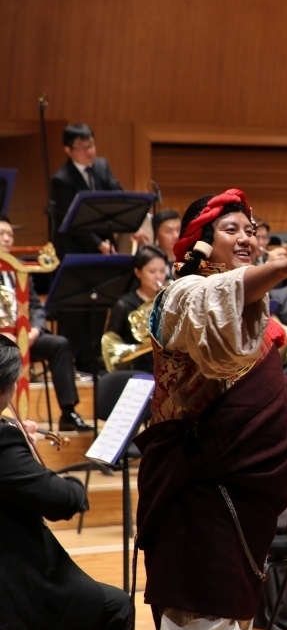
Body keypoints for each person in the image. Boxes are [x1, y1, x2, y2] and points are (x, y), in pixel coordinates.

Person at [134, 188, 287, 630]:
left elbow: (265, 396)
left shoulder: (253, 310)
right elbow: (213, 297)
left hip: (246, 496)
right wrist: (280, 269)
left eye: (251, 229)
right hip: (196, 494)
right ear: (201, 243)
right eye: (232, 229)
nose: (247, 237)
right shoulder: (178, 295)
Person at [0, 340, 131, 630]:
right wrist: (29, 456)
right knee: (117, 605)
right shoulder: (4, 441)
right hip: (14, 585)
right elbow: (63, 501)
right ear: (5, 387)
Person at [0, 215, 91, 431]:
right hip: (2, 343)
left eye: (10, 234)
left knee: (59, 344)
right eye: (1, 234)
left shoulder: (21, 270)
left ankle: (68, 412)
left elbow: (36, 306)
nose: (7, 238)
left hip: (25, 336)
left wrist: (36, 330)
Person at [51, 123, 125, 375]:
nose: (89, 151)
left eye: (91, 145)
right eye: (82, 148)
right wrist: (98, 243)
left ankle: (92, 361)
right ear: (68, 150)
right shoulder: (61, 179)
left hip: (102, 251)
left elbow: (117, 195)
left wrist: (125, 226)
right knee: (76, 311)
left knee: (99, 306)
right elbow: (71, 222)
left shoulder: (102, 166)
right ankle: (74, 362)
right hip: (76, 252)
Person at [105, 244, 168, 374]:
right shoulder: (124, 304)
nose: (158, 276)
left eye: (162, 271)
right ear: (138, 272)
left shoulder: (168, 299)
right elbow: (111, 342)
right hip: (137, 369)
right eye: (152, 271)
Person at [153, 209, 182, 276]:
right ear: (156, 235)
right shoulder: (151, 261)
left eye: (178, 230)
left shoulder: (189, 258)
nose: (176, 236)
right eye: (169, 231)